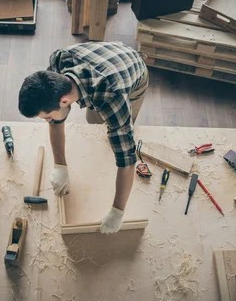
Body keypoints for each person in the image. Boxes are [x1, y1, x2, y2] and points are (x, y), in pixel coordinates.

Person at [18, 41, 148, 234]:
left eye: (46, 117)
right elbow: (57, 119)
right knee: (96, 123)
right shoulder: (59, 61)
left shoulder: (112, 97)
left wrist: (117, 211)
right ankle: (108, 130)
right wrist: (59, 165)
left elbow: (127, 160)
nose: (48, 122)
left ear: (64, 100)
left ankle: (115, 131)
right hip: (102, 60)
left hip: (134, 72)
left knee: (119, 134)